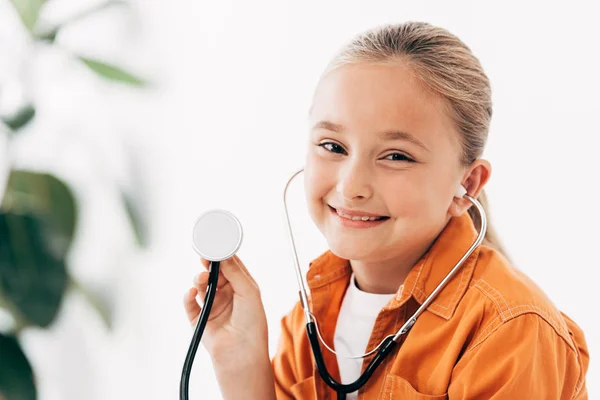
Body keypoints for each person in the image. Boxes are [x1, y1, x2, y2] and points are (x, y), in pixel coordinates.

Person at [183, 21, 589, 399]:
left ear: (466, 185)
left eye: (396, 156)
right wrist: (241, 365)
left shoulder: (511, 331)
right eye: (333, 146)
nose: (352, 186)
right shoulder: (311, 318)